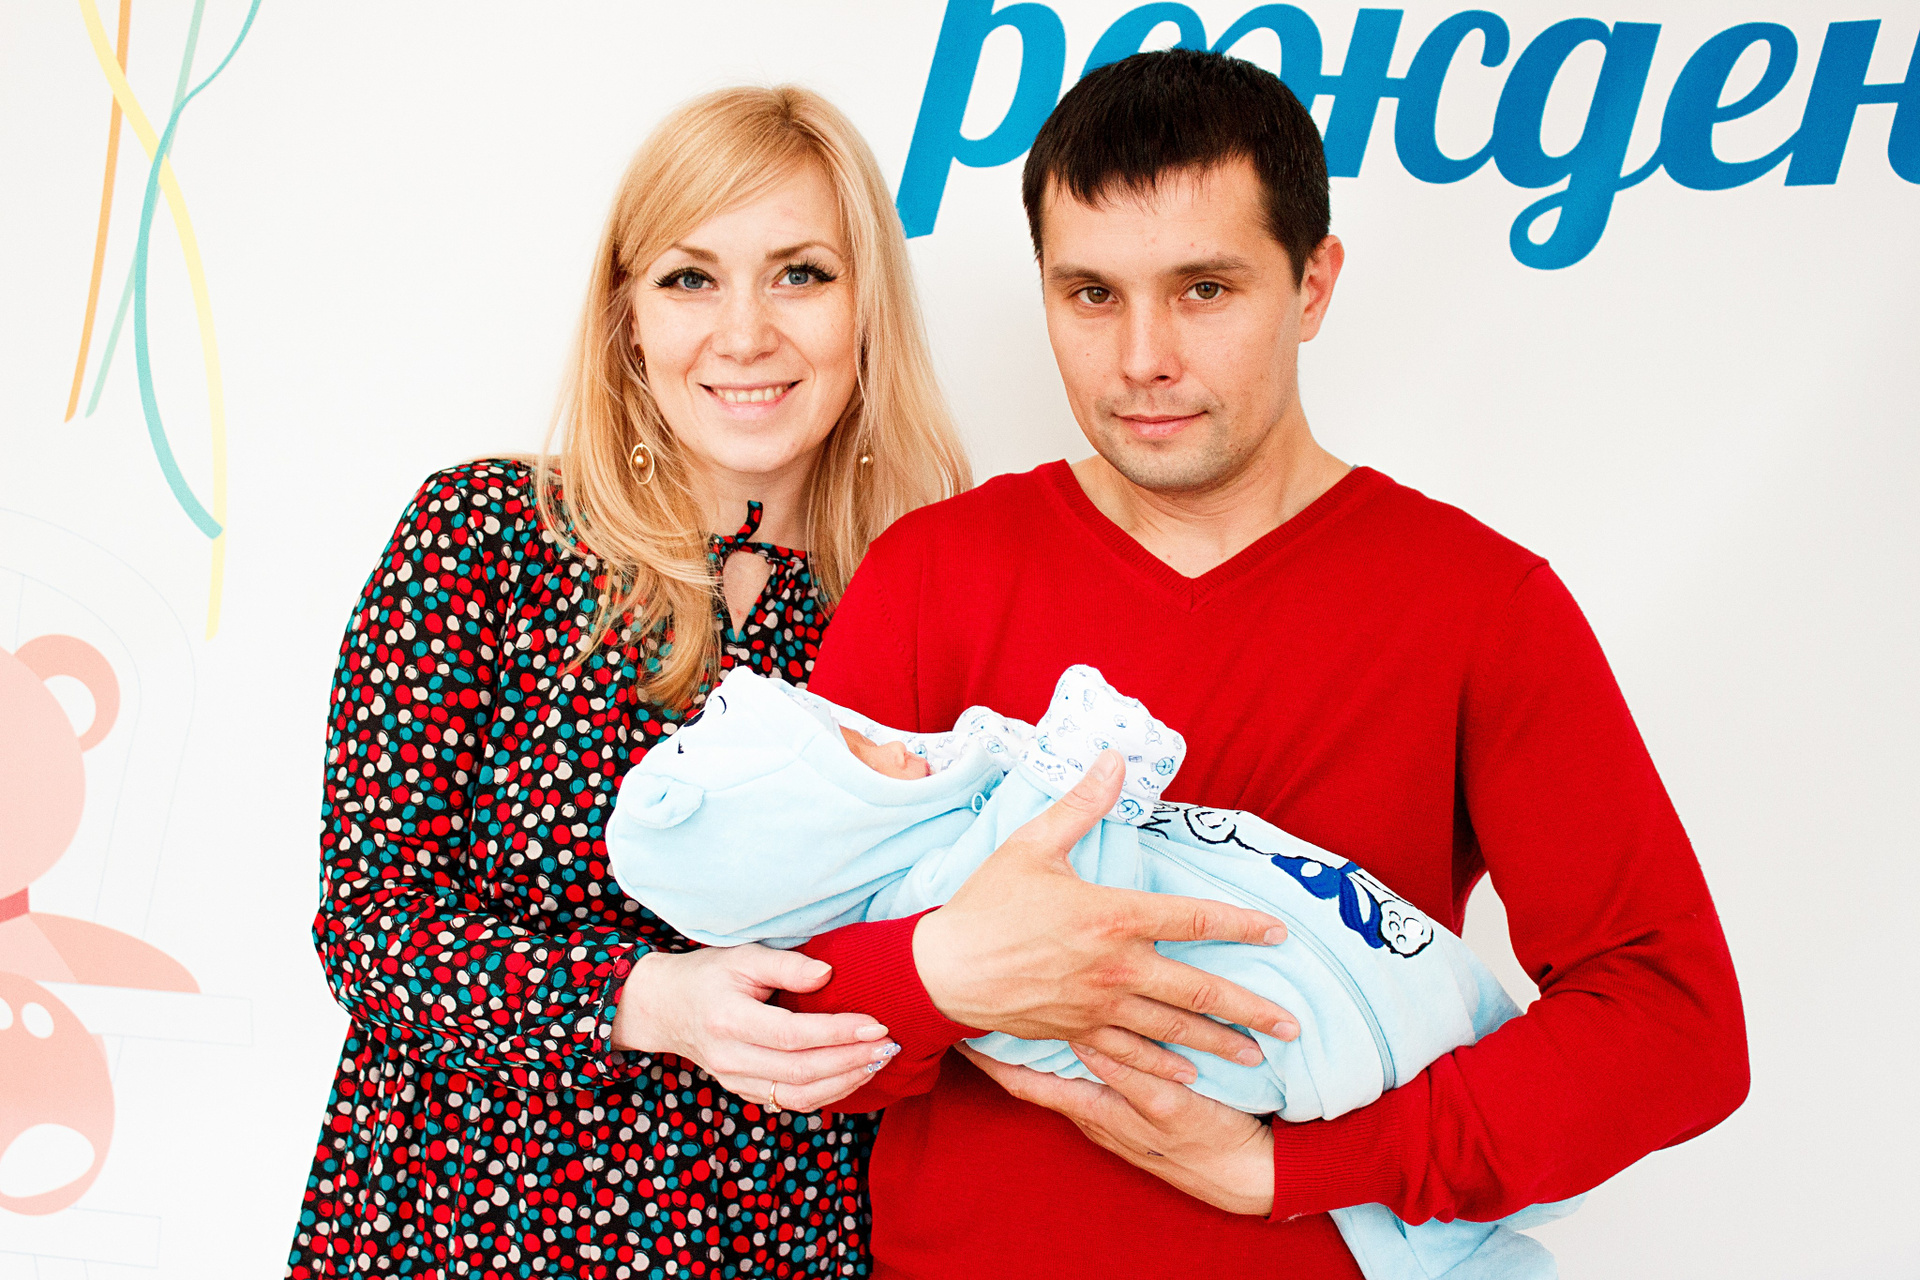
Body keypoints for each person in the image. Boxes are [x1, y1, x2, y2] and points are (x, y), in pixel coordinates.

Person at [777, 49, 1751, 1279]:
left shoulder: (1480, 603)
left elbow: (1673, 1024)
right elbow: (783, 1000)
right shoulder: (932, 575)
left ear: (1313, 283)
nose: (1142, 356)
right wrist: (955, 969)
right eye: (1091, 294)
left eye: (1204, 289)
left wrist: (1301, 1168)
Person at [286, 85, 981, 1278]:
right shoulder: (484, 534)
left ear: (868, 306)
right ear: (628, 318)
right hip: (458, 1230)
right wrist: (648, 999)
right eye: (690, 277)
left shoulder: (924, 603)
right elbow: (369, 923)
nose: (745, 333)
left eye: (802, 273)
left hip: (780, 1239)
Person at [607, 661, 1576, 1279]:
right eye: (860, 753)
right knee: (1441, 1220)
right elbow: (1090, 867)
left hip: (1371, 991)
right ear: (829, 831)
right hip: (1298, 1039)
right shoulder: (939, 882)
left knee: (1475, 1159)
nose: (896, 742)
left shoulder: (947, 849)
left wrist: (1292, 1170)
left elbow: (1647, 1016)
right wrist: (1057, 761)